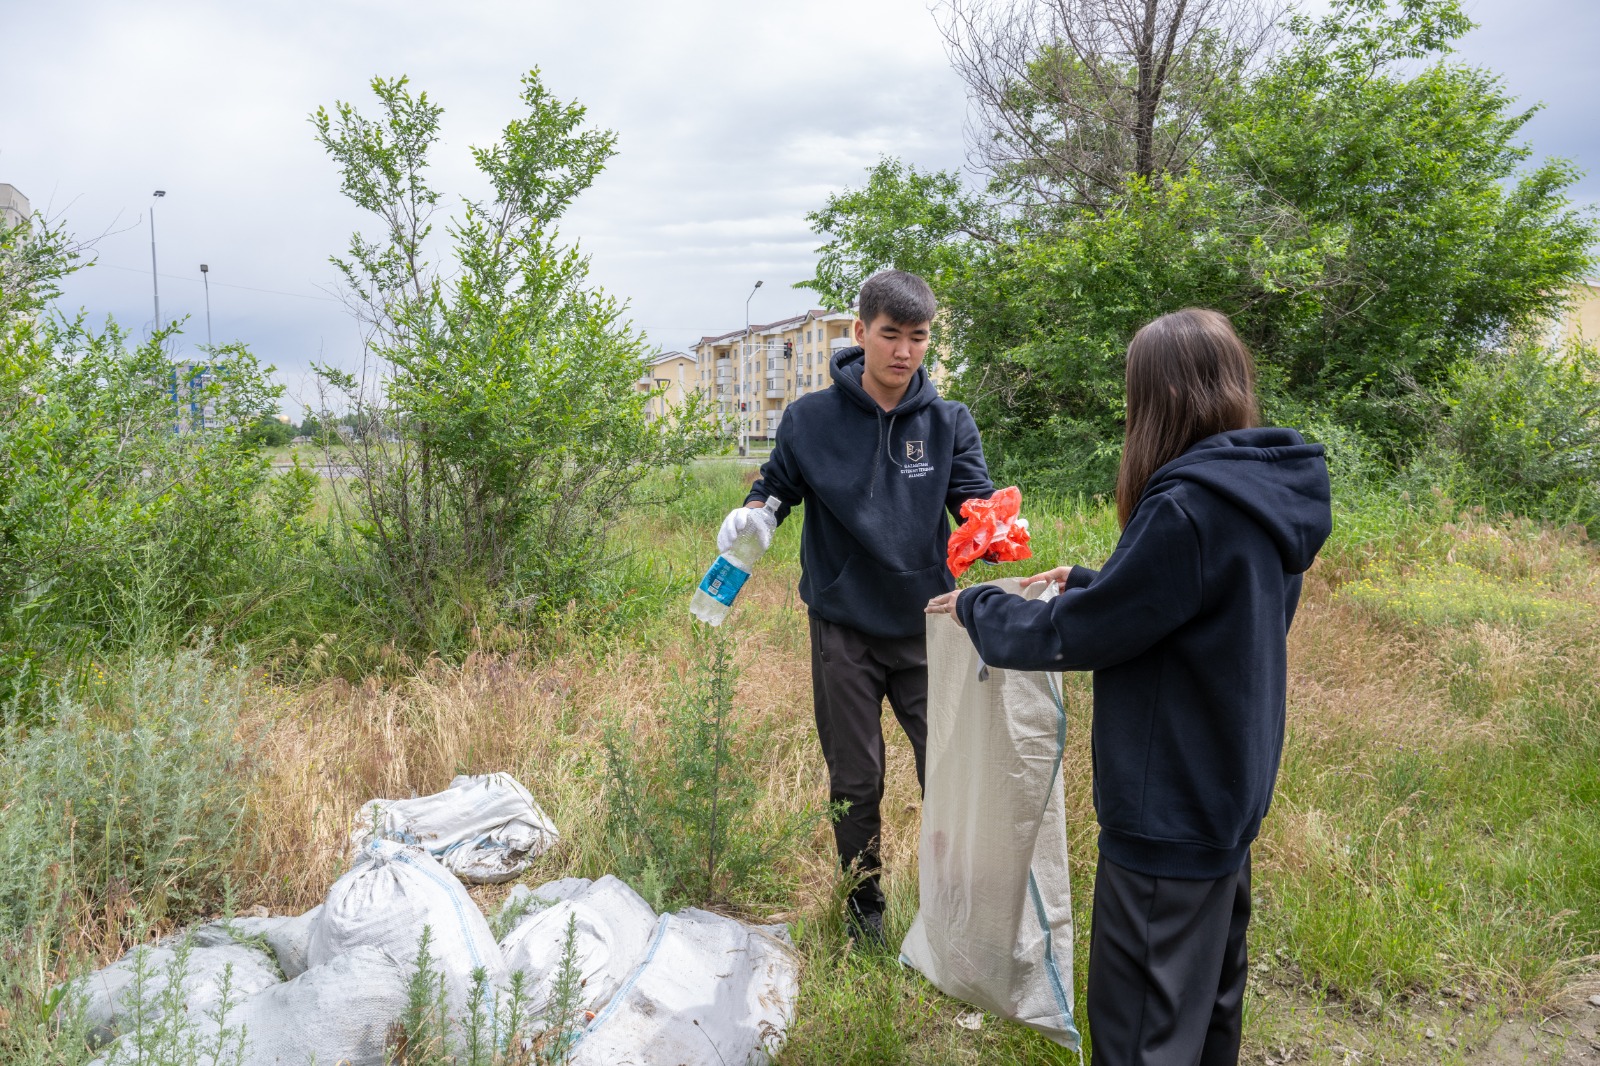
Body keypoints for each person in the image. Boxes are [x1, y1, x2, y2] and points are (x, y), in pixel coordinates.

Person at [926, 308, 1332, 1065]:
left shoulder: (1186, 506)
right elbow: (1197, 606)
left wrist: (982, 605)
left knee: (1142, 1038)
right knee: (1205, 1019)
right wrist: (1085, 580)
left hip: (1167, 816)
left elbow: (1080, 633)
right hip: (1226, 803)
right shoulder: (1262, 496)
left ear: (1161, 400)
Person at [718, 269, 995, 944]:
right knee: (856, 777)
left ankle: (954, 911)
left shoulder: (949, 421)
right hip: (844, 628)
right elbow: (775, 489)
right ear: (860, 332)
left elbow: (975, 507)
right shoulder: (811, 419)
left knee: (949, 771)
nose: (904, 351)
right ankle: (862, 908)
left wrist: (990, 532)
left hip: (930, 627)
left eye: (918, 337)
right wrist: (755, 517)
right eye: (890, 334)